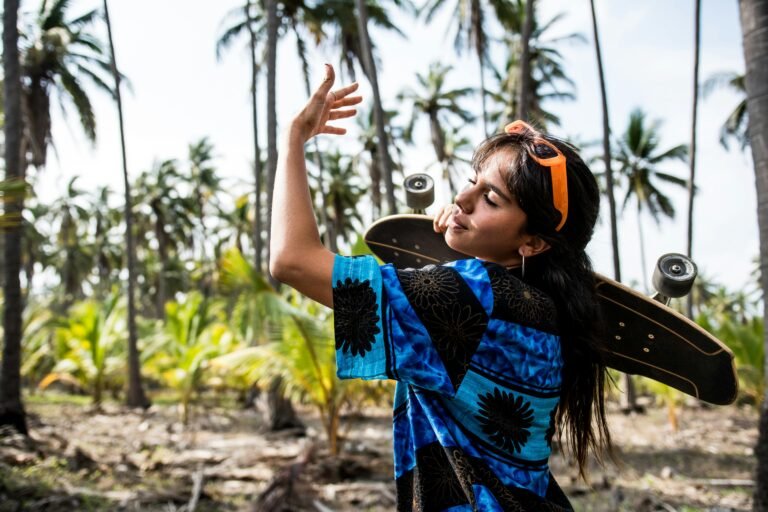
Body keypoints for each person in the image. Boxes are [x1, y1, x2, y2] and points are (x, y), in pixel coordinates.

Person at [270, 64, 612, 511]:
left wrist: (293, 138)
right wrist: (465, 247)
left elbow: (291, 260)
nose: (463, 199)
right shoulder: (545, 311)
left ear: (533, 241)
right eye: (472, 182)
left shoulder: (472, 296)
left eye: (491, 199)